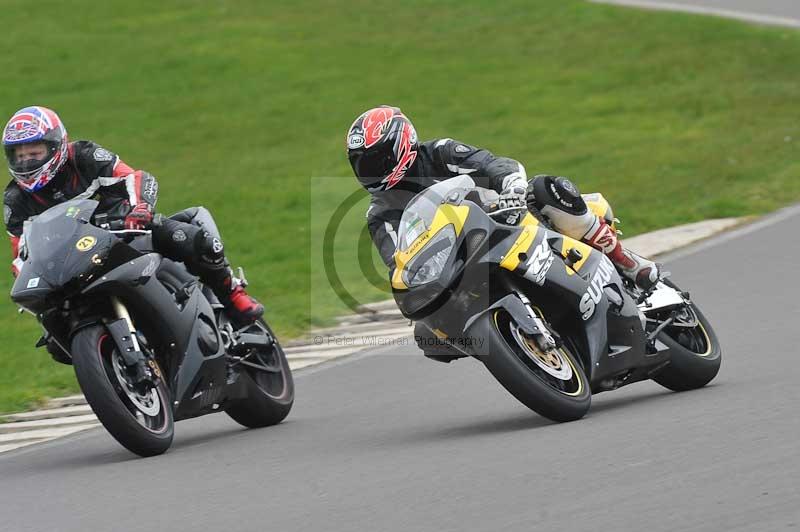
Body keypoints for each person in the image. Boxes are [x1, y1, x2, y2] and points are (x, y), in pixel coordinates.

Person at [3, 106, 264, 362]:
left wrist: (139, 208)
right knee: (55, 342)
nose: (26, 161)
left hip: (122, 231)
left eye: (34, 152)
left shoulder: (84, 155)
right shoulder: (15, 199)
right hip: (74, 260)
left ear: (55, 145)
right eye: (19, 155)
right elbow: (21, 251)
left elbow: (135, 178)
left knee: (190, 239)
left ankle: (232, 295)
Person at [346, 105, 660, 289]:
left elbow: (494, 165)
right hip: (462, 259)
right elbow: (397, 265)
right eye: (361, 164)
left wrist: (511, 187)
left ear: (402, 146)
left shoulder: (440, 152)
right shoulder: (379, 214)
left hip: (507, 218)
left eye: (375, 162)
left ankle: (624, 259)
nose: (368, 172)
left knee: (544, 188)